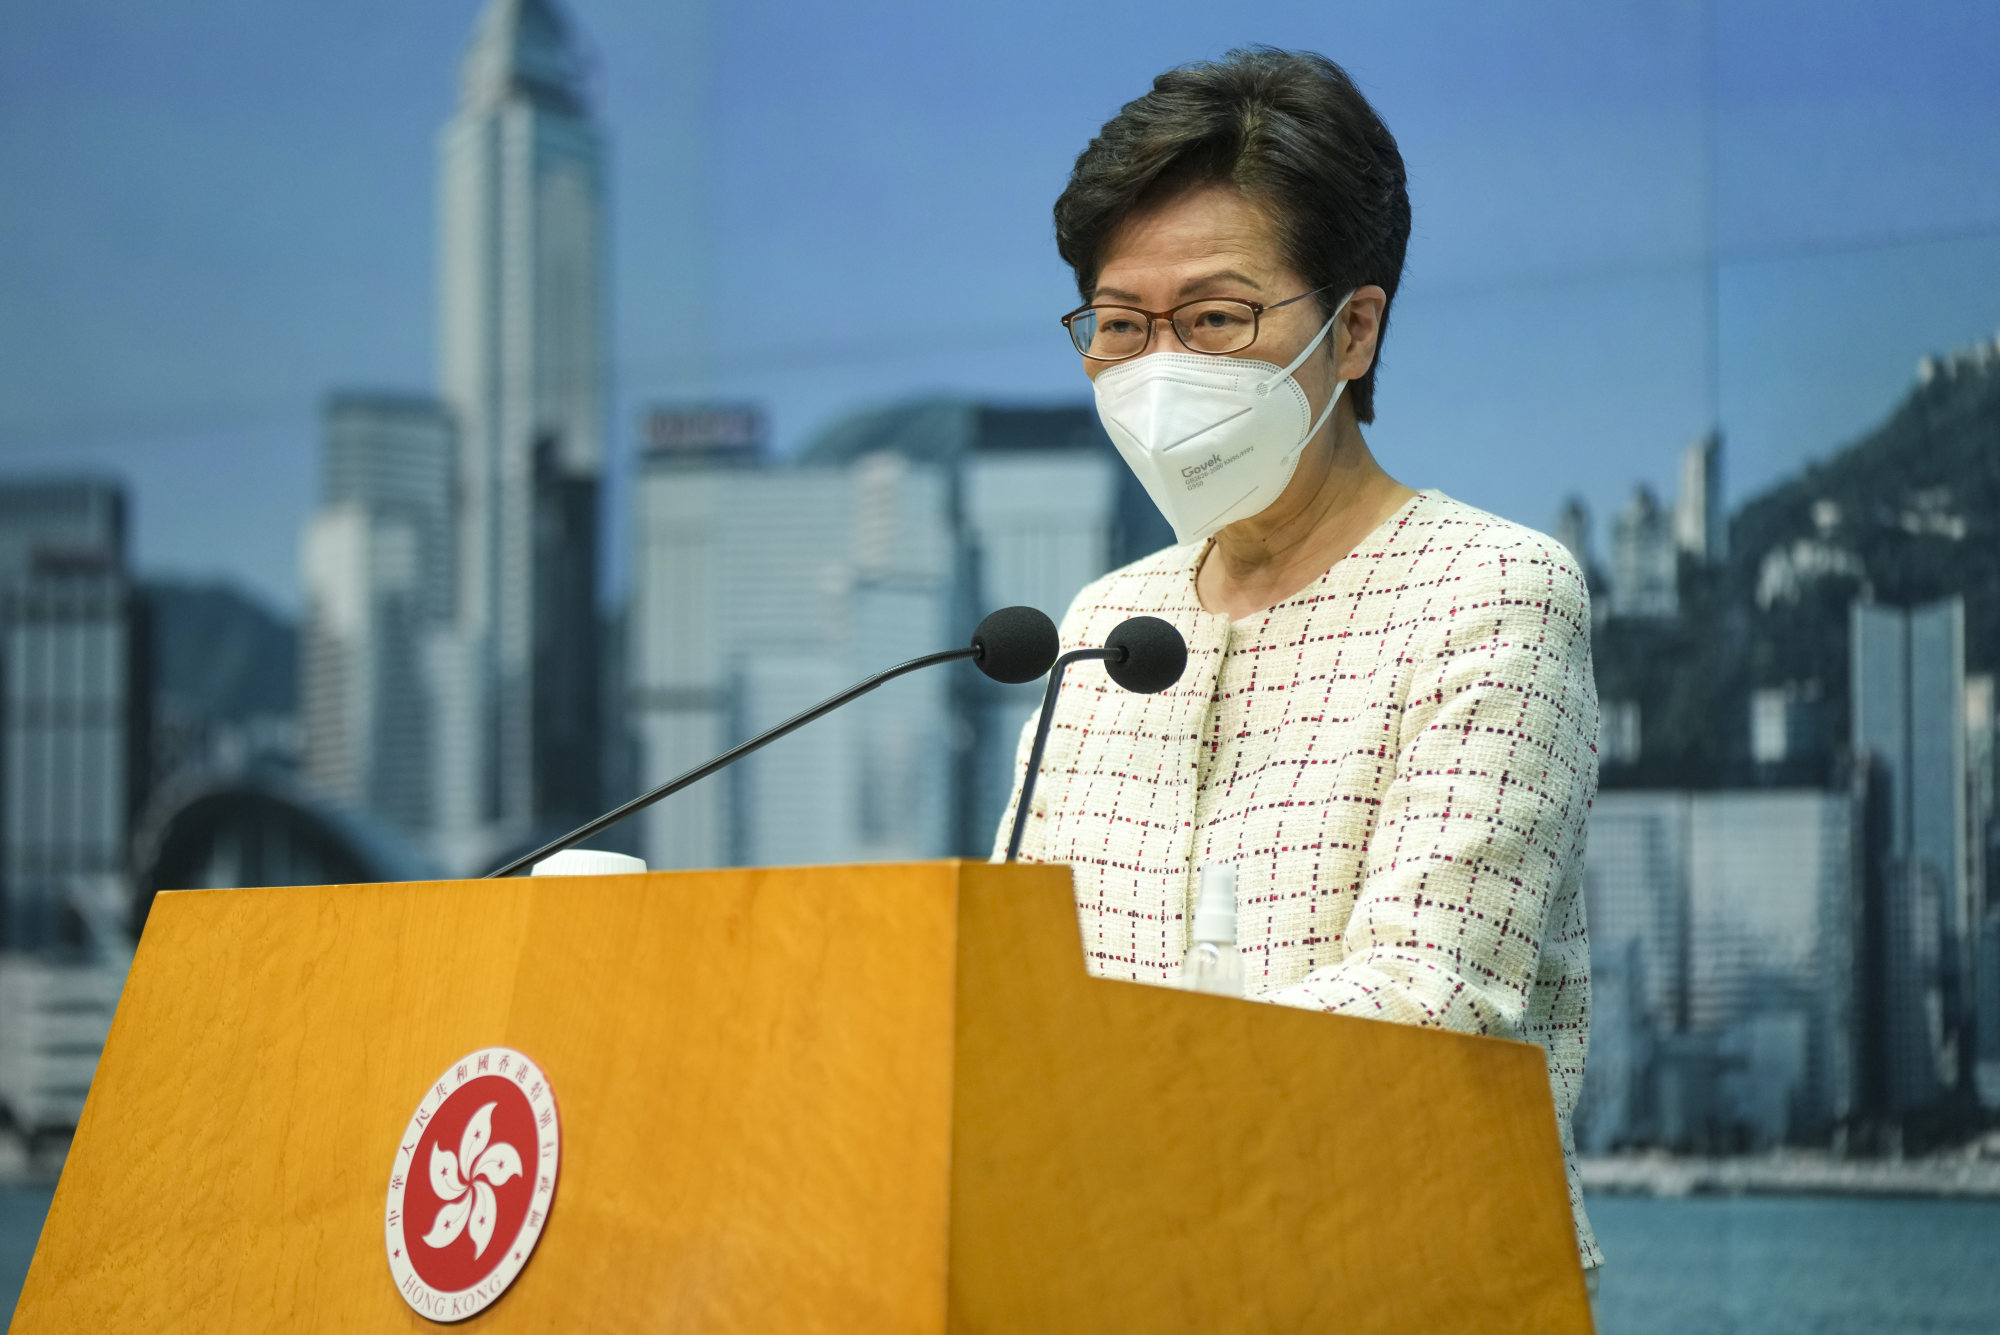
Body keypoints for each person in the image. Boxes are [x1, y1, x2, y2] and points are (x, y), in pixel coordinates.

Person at [996, 47, 1603, 1288]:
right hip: (1111, 1276)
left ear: (1354, 329)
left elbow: (1431, 999)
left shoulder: (1489, 591)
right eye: (1118, 326)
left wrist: (1103, 1081)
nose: (1159, 371)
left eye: (1216, 318)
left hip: (1398, 1277)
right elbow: (1013, 983)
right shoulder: (1101, 622)